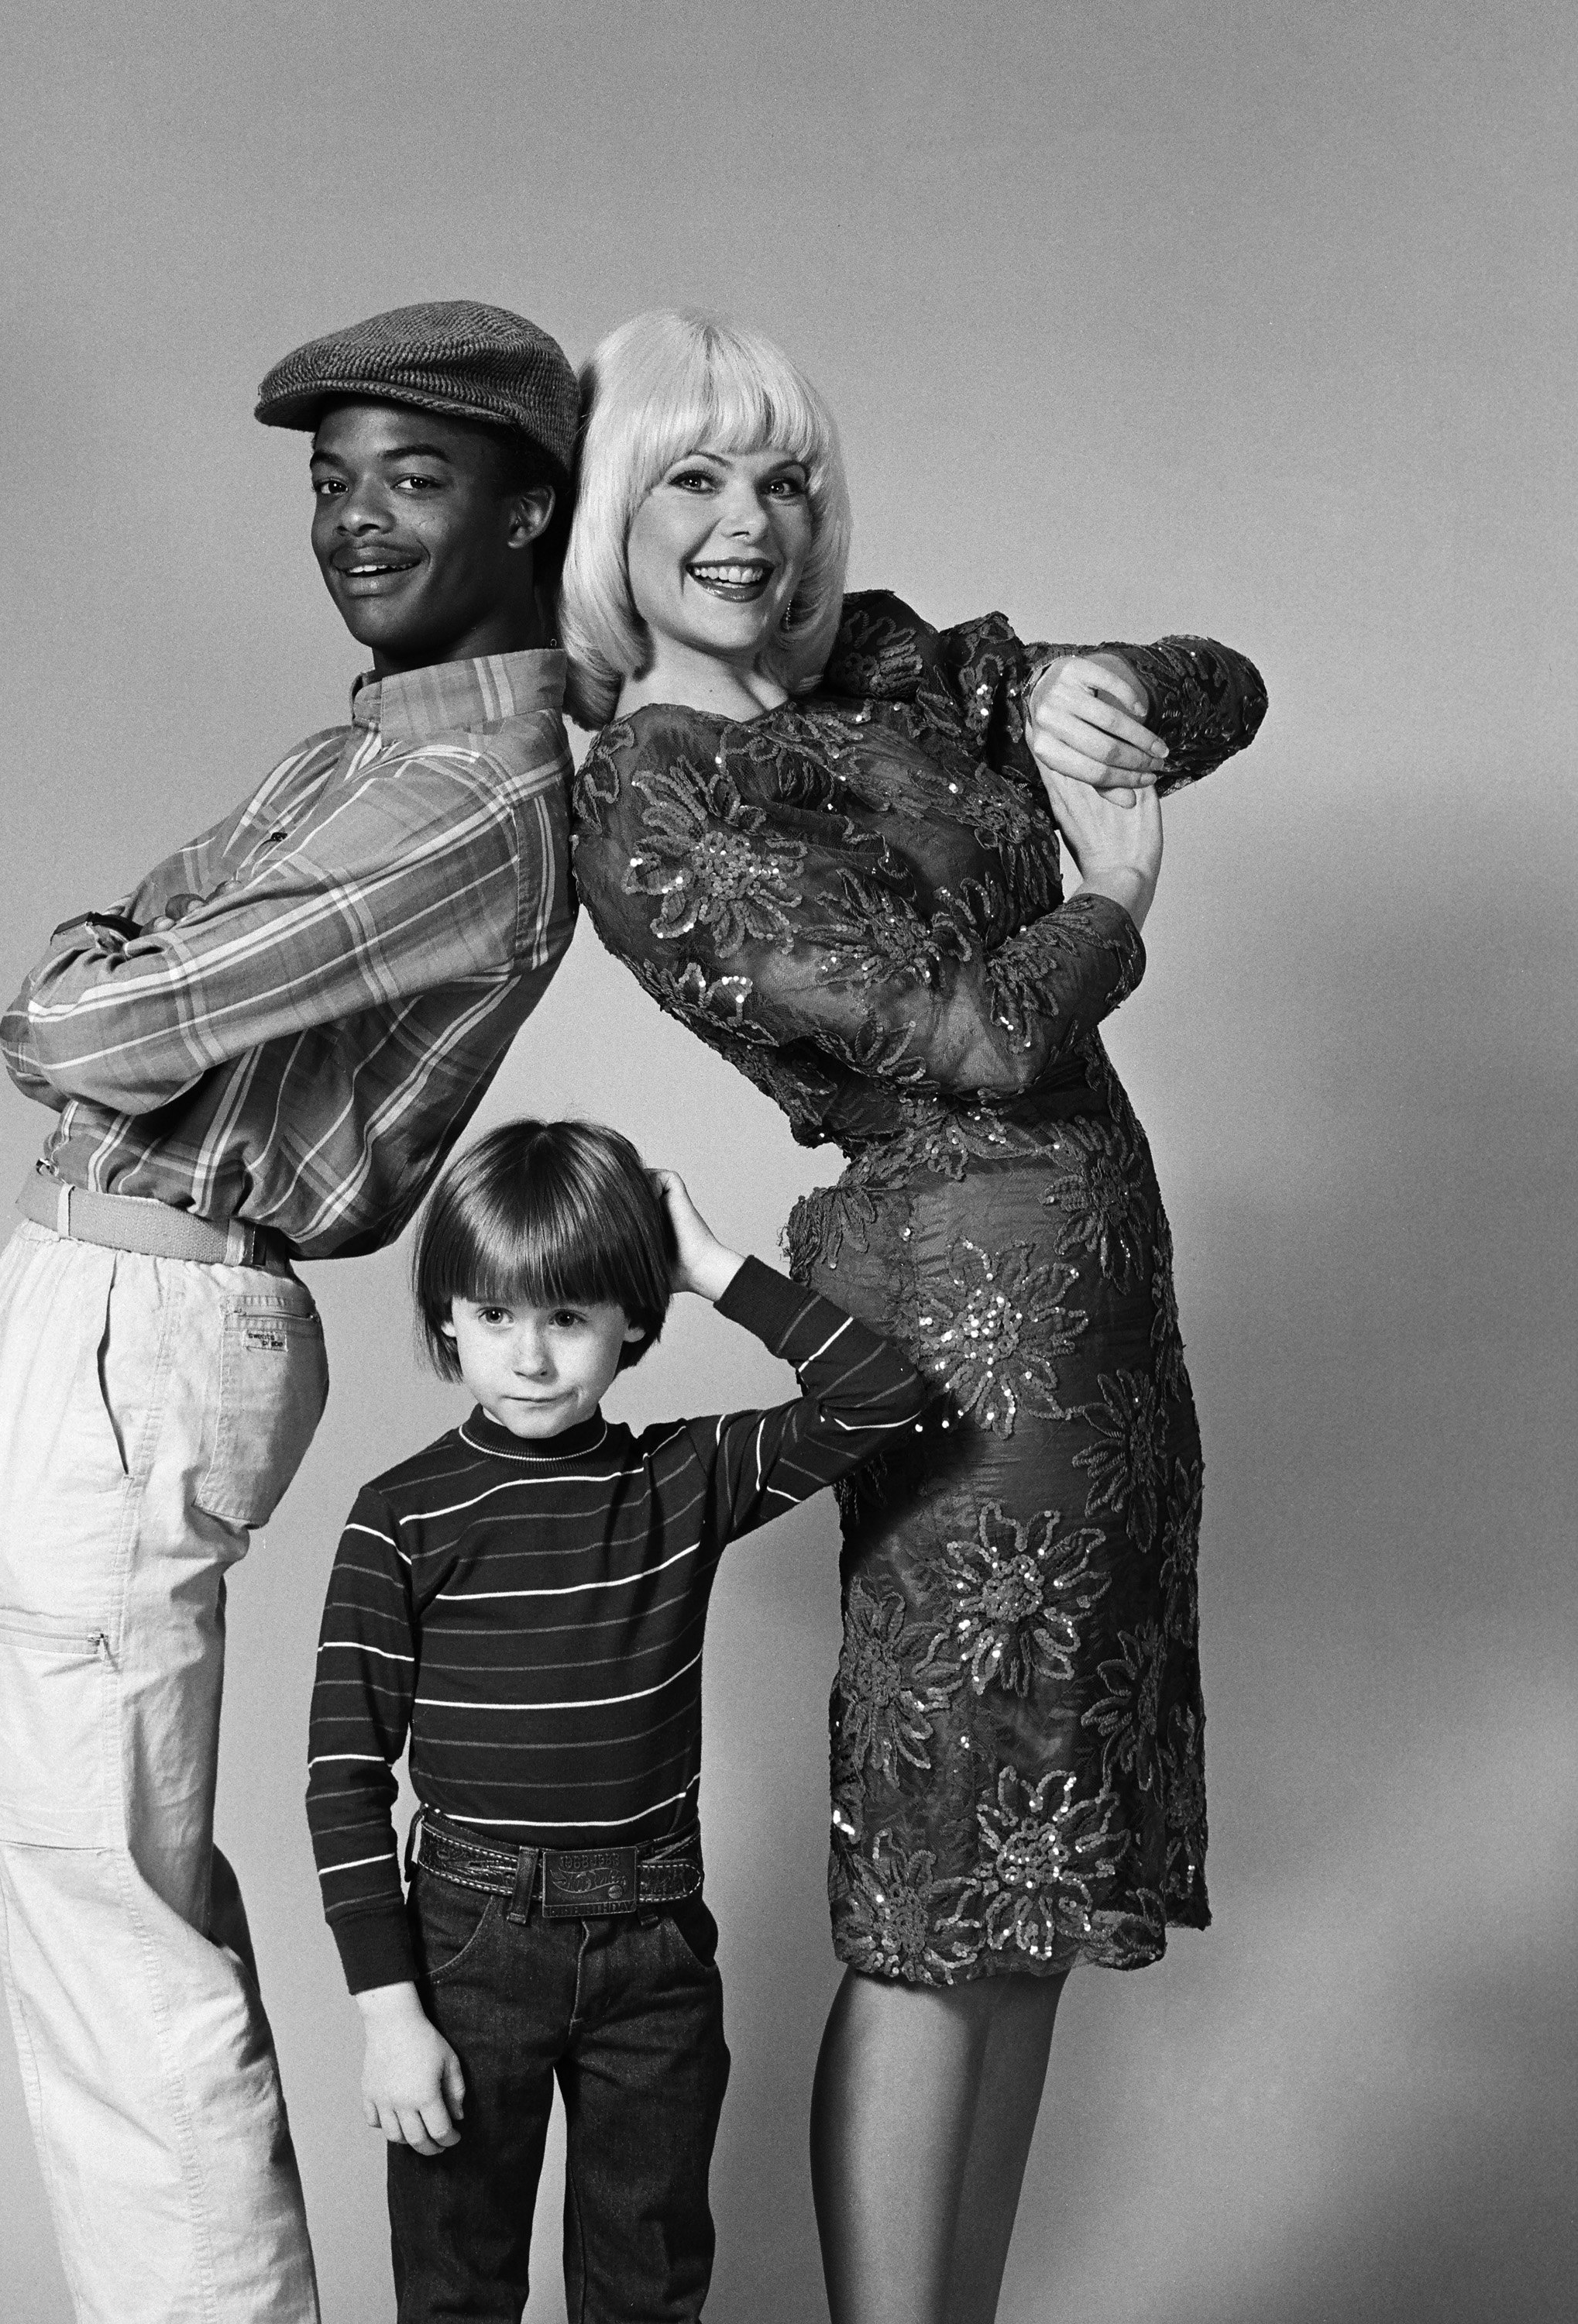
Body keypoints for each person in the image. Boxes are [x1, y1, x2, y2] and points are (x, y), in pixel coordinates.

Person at [559, 309, 1268, 2324]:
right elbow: (957, 1033)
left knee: (1030, 1884)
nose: (745, 520)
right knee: (936, 1893)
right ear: (617, 510)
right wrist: (1109, 904)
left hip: (1110, 1345)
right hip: (955, 1341)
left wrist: (1107, 696)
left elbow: (1222, 688)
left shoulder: (897, 658)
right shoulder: (656, 796)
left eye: (778, 476)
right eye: (692, 476)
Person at [0, 301, 583, 2324]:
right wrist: (129, 973)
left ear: (531, 512)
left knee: (106, 1925)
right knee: (103, 1901)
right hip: (96, 1307)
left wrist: (119, 971)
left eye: (414, 480)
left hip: (152, 1314)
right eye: (331, 482)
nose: (354, 523)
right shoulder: (358, 748)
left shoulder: (470, 796)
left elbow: (80, 1009)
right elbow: (128, 966)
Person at [304, 1119, 937, 2324]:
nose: (530, 1359)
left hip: (653, 1941)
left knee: (643, 2288)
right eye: (495, 1317)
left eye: (570, 1317)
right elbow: (343, 1780)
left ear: (632, 1324)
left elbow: (886, 1397)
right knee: (455, 2286)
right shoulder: (402, 1516)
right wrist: (387, 2015)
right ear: (447, 1318)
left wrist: (705, 1266)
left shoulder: (681, 1481)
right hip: (466, 1947)